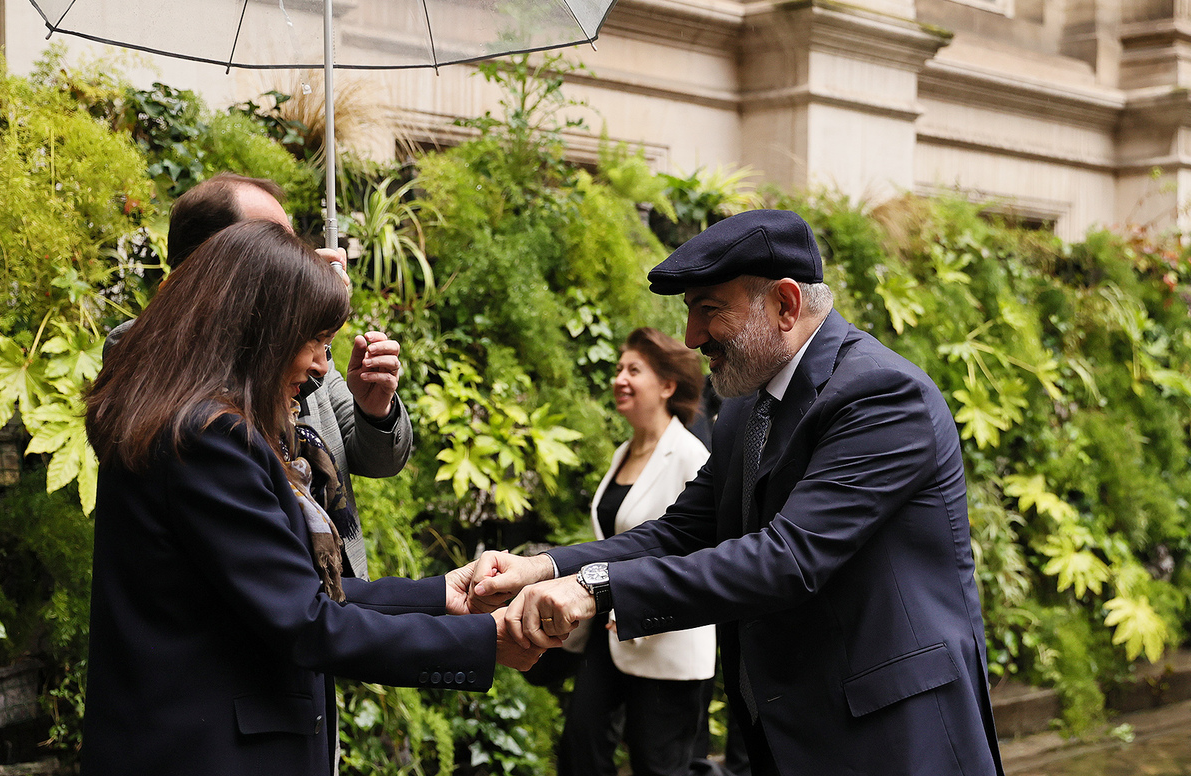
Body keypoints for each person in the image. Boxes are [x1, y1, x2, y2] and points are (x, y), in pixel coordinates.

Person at [467, 209, 1005, 776]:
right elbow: (679, 533)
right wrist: (544, 568)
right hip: (790, 735)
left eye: (709, 310)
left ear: (786, 305)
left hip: (896, 740)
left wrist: (595, 589)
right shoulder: (746, 410)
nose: (691, 337)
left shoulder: (882, 395)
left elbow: (788, 559)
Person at [81, 220, 539, 776]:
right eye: (314, 340)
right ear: (258, 328)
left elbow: (290, 591)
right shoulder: (208, 438)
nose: (323, 365)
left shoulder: (189, 420)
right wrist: (485, 639)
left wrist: (443, 594)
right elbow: (304, 619)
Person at [107, 172, 409, 580]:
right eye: (274, 239)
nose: (294, 253)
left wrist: (375, 410)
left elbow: (380, 461)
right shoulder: (145, 350)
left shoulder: (309, 354)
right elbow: (236, 390)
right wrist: (296, 331)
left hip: (333, 591)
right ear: (222, 255)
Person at [559, 327, 713, 776]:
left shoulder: (690, 456)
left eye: (634, 370)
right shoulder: (623, 453)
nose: (619, 379)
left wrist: (642, 601)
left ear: (667, 386)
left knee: (657, 765)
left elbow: (701, 549)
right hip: (607, 629)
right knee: (581, 747)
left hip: (667, 637)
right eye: (618, 369)